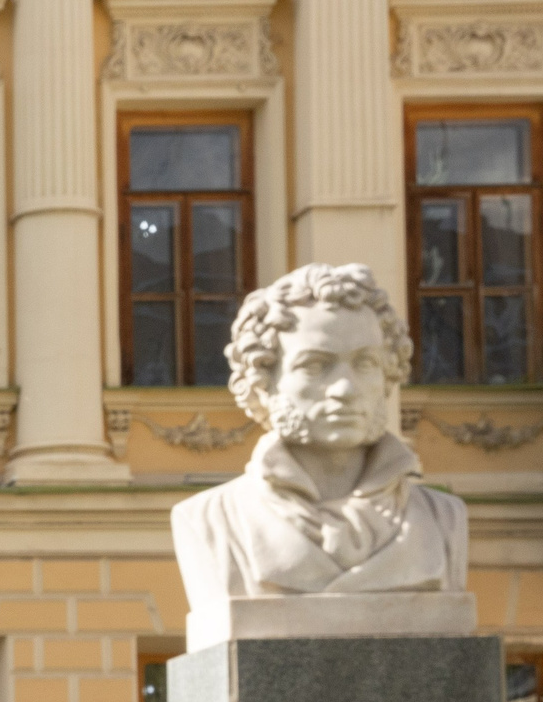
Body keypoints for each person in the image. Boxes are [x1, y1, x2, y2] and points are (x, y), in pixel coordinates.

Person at [171, 263, 467, 615]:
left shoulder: (443, 519)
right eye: (314, 365)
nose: (345, 389)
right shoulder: (212, 521)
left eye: (365, 363)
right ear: (263, 382)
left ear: (389, 374)